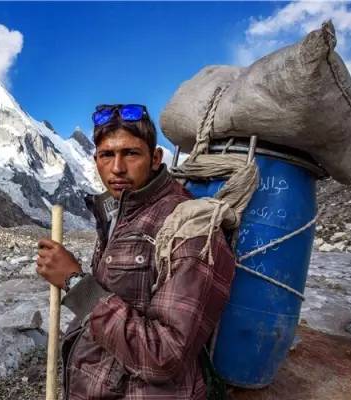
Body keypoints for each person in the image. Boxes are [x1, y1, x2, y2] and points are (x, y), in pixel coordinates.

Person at [36, 104, 236, 399]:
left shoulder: (186, 226)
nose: (117, 168)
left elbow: (165, 355)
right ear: (95, 159)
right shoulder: (118, 212)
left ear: (155, 158)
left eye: (131, 153)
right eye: (107, 155)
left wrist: (77, 285)